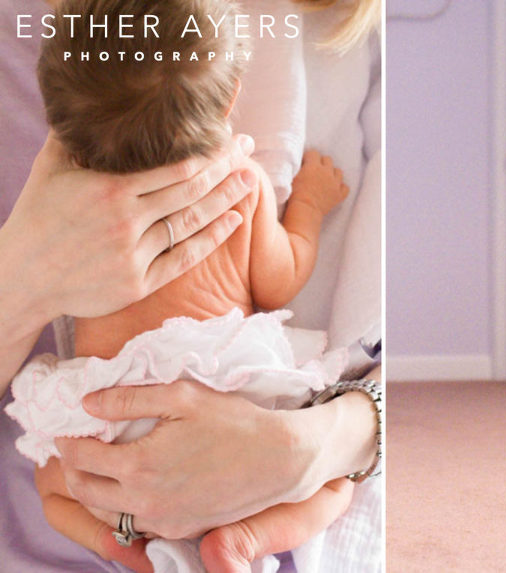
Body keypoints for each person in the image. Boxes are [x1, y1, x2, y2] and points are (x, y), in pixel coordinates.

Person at [0, 0, 382, 571]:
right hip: (227, 389)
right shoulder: (240, 180)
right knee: (333, 489)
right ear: (231, 101)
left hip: (104, 407)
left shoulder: (68, 197)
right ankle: (242, 543)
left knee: (54, 483)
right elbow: (281, 281)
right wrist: (308, 202)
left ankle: (126, 550)